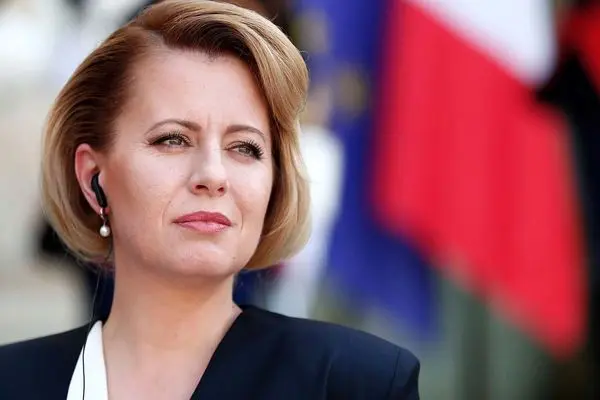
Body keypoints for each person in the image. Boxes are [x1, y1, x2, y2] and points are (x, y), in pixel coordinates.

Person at [0, 1, 420, 399]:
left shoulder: (356, 383)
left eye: (245, 148)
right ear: (93, 175)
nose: (214, 176)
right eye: (173, 139)